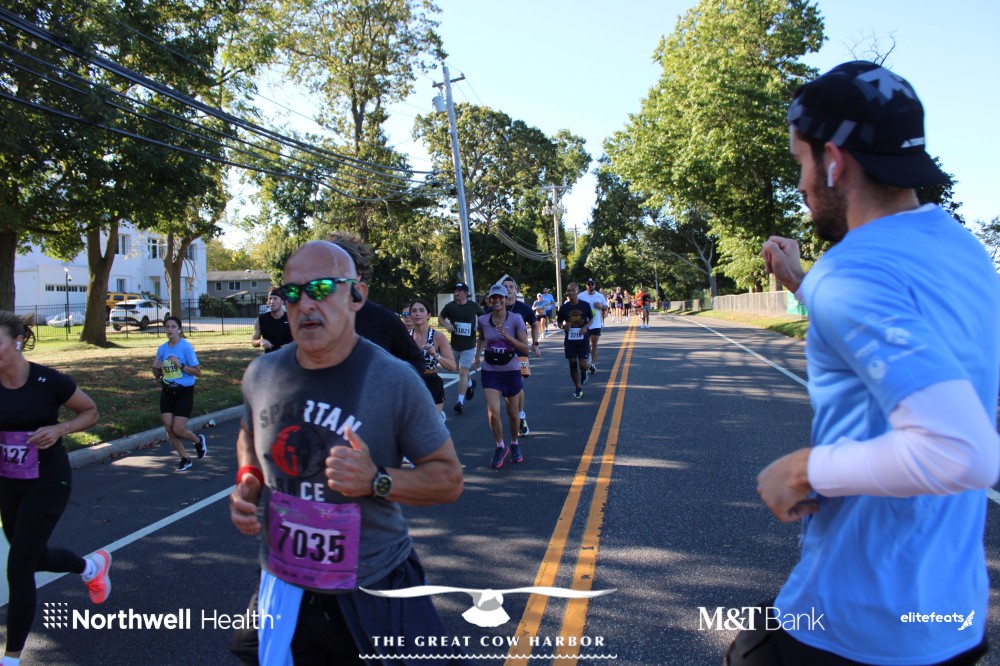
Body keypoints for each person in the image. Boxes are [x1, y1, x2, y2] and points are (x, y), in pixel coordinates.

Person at [745, 62, 998, 665]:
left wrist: (804, 470)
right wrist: (803, 283)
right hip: (952, 620)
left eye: (802, 163)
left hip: (854, 624)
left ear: (834, 160)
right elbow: (901, 335)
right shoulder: (965, 253)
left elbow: (960, 450)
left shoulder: (853, 271)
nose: (802, 184)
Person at [230, 241, 465, 665]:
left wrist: (377, 480)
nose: (305, 303)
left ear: (356, 295)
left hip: (371, 586)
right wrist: (248, 479)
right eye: (292, 292)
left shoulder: (394, 380)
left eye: (321, 288)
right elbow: (249, 431)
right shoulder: (262, 374)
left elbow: (448, 479)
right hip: (284, 582)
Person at [0, 312, 110, 665]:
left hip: (48, 479)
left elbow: (90, 411)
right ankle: (90, 567)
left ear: (18, 341)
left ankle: (11, 657)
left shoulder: (48, 381)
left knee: (19, 567)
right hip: (9, 480)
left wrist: (59, 430)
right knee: (31, 556)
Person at [327, 230, 424, 377]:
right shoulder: (310, 317)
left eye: (340, 268)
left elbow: (416, 362)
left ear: (358, 274)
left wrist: (384, 384)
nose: (331, 275)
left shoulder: (383, 320)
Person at [474, 284, 530, 469]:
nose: (497, 300)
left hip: (511, 370)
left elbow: (525, 348)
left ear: (506, 299)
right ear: (490, 300)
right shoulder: (483, 319)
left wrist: (508, 337)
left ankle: (514, 443)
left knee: (512, 413)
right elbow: (482, 337)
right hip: (490, 370)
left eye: (500, 297)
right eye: (494, 297)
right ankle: (500, 446)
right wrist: (477, 356)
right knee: (492, 414)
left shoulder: (516, 320)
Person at [153, 315, 207, 471]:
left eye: (173, 327)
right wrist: (155, 367)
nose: (169, 329)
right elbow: (157, 375)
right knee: (169, 427)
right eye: (167, 327)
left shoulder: (185, 347)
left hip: (184, 391)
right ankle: (185, 458)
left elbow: (198, 372)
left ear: (179, 329)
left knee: (178, 429)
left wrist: (181, 365)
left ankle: (198, 441)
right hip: (167, 390)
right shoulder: (162, 349)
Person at [437, 282, 483, 414]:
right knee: (458, 369)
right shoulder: (450, 306)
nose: (456, 293)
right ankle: (470, 385)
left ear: (465, 293)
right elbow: (440, 318)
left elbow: (484, 318)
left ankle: (460, 402)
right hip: (455, 345)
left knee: (463, 372)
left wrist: (479, 326)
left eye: (459, 291)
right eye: (455, 291)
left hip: (469, 345)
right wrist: (447, 325)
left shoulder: (473, 306)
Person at [407, 297, 456, 419]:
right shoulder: (406, 337)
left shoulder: (438, 337)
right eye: (414, 311)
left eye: (421, 310)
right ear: (410, 315)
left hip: (431, 382)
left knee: (429, 423)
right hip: (412, 382)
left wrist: (437, 355)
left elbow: (452, 366)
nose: (417, 314)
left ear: (428, 315)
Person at [502, 276, 538, 437]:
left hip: (521, 352)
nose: (508, 289)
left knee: (519, 385)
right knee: (508, 389)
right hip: (501, 354)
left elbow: (534, 324)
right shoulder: (496, 307)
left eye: (511, 286)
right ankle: (514, 413)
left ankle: (521, 416)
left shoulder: (524, 308)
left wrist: (535, 343)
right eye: (505, 287)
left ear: (515, 290)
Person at [556, 283, 593, 399]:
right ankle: (578, 388)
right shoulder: (564, 308)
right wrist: (563, 326)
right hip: (570, 340)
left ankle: (584, 371)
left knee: (583, 365)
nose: (570, 292)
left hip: (582, 338)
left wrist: (585, 327)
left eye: (573, 290)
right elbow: (559, 323)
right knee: (572, 363)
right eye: (569, 290)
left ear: (577, 291)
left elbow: (591, 319)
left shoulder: (585, 305)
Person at [576, 278, 608, 375]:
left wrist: (601, 307)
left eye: (592, 284)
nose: (590, 285)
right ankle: (588, 358)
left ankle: (593, 364)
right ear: (586, 285)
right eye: (588, 284)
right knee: (586, 343)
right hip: (584, 323)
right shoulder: (581, 296)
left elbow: (606, 307)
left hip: (596, 322)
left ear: (594, 285)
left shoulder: (599, 296)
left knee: (594, 341)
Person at [251, 287, 293, 353]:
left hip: (289, 356)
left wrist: (291, 346)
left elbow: (302, 340)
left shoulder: (292, 318)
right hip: (270, 357)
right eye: (270, 298)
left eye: (275, 298)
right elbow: (253, 342)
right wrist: (260, 341)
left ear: (282, 301)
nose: (272, 301)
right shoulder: (261, 319)